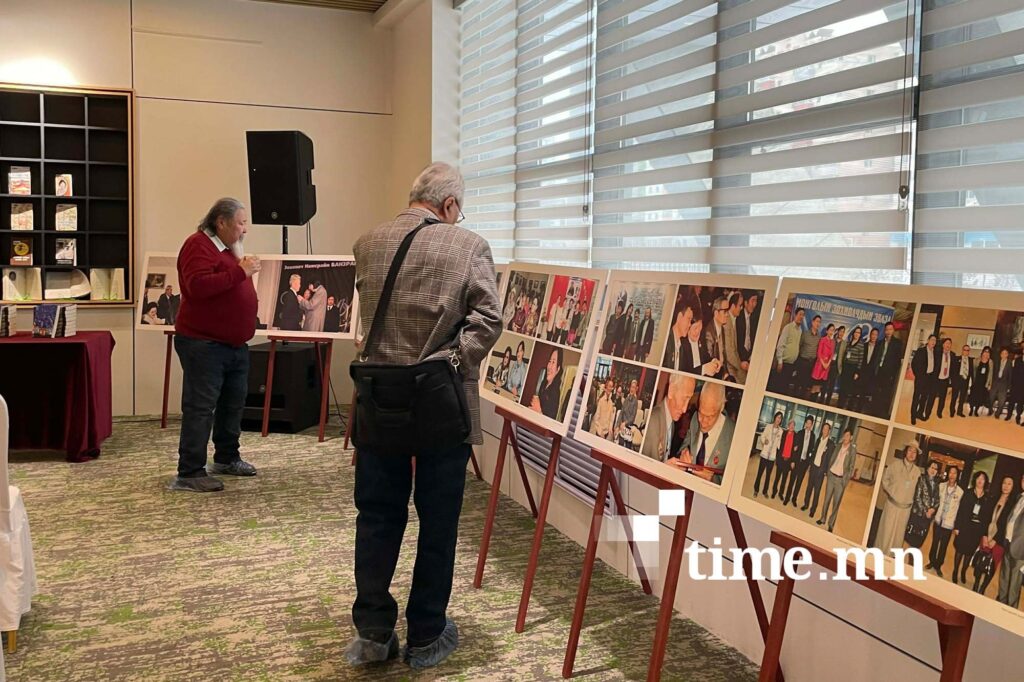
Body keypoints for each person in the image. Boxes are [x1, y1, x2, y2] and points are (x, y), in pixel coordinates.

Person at [346, 162, 501, 669]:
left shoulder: (368, 242)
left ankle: (373, 631)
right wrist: (451, 360)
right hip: (438, 399)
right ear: (449, 205)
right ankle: (427, 633)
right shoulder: (469, 246)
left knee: (376, 514)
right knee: (438, 518)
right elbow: (489, 319)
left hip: (378, 398)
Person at [170, 197, 260, 493]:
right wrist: (240, 272)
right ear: (221, 222)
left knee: (232, 404)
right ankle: (190, 472)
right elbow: (197, 287)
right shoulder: (197, 245)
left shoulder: (228, 249)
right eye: (241, 223)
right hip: (203, 343)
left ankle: (226, 458)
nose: (244, 229)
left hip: (233, 344)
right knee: (200, 408)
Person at [671, 383, 733, 484]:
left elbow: (733, 483)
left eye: (709, 417)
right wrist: (683, 454)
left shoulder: (734, 435)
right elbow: (684, 446)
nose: (703, 422)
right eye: (701, 413)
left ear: (721, 407)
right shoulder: (695, 418)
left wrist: (713, 480)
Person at [874, 440, 922, 553]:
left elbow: (918, 491)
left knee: (898, 535)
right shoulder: (894, 465)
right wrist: (892, 492)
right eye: (910, 450)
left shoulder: (917, 472)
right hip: (892, 505)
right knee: (886, 532)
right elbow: (885, 479)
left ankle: (892, 556)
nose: (912, 454)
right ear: (905, 452)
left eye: (914, 452)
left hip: (906, 509)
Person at [974, 475, 1017, 594]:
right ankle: (976, 583)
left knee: (992, 566)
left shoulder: (1013, 504)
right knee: (980, 562)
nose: (1006, 486)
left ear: (1013, 487)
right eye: (1004, 483)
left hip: (999, 540)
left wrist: (996, 540)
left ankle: (983, 588)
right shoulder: (993, 498)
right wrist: (984, 535)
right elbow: (985, 518)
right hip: (986, 535)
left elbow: (1008, 525)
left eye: (1009, 484)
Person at [642, 374, 696, 462]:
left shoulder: (671, 423)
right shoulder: (654, 421)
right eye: (684, 399)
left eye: (688, 400)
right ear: (671, 391)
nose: (685, 409)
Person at [952, 471, 989, 585]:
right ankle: (955, 571)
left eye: (983, 479)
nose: (980, 480)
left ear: (985, 482)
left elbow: (987, 517)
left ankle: (963, 571)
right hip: (964, 527)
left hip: (976, 530)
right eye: (978, 478)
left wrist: (984, 534)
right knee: (960, 550)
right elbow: (960, 510)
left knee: (969, 552)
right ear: (975, 480)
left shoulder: (987, 497)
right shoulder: (968, 493)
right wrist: (957, 526)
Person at [818, 427, 856, 532]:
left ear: (851, 437)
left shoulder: (852, 450)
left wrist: (845, 480)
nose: (845, 437)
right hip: (831, 476)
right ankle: (822, 518)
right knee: (826, 500)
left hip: (840, 480)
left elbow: (851, 467)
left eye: (848, 435)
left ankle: (831, 524)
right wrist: (828, 471)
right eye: (845, 435)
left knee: (836, 504)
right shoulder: (838, 446)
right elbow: (832, 458)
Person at [928, 465, 962, 579]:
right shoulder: (941, 486)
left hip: (948, 524)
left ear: (957, 475)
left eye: (955, 473)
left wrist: (956, 525)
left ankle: (938, 565)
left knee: (943, 546)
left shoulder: (960, 492)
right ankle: (932, 561)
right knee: (934, 543)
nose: (952, 475)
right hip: (938, 520)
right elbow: (935, 501)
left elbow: (959, 510)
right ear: (948, 474)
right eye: (950, 472)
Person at [997, 474, 1024, 607]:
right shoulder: (1019, 497)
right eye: (1023, 479)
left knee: (1014, 584)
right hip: (1008, 542)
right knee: (1004, 576)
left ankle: (1010, 609)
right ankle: (1001, 603)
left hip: (1021, 550)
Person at [871, 321, 904, 417]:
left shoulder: (898, 343)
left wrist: (893, 374)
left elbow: (897, 360)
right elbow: (874, 357)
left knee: (885, 392)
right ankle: (874, 411)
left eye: (890, 329)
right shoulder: (879, 343)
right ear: (884, 331)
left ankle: (882, 412)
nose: (888, 331)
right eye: (887, 330)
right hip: (879, 370)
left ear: (893, 330)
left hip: (889, 372)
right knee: (876, 391)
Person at [905, 461, 940, 550]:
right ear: (927, 468)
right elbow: (917, 497)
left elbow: (937, 499)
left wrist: (933, 509)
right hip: (918, 514)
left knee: (920, 540)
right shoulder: (921, 479)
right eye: (932, 467)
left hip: (928, 518)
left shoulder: (937, 484)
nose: (933, 470)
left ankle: (912, 556)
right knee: (912, 539)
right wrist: (925, 511)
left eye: (936, 469)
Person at [802, 422, 834, 517]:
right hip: (813, 468)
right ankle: (806, 504)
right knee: (809, 488)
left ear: (829, 431)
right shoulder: (818, 440)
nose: (824, 430)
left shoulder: (831, 444)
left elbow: (830, 460)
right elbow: (814, 453)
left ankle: (813, 510)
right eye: (823, 428)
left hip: (821, 471)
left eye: (826, 429)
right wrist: (810, 465)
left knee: (817, 492)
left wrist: (825, 472)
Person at [785, 416, 817, 508]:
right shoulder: (800, 433)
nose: (808, 425)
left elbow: (811, 450)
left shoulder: (813, 436)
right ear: (805, 423)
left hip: (804, 463)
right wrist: (792, 461)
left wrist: (808, 463)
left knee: (799, 483)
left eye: (810, 423)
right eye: (807, 423)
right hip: (796, 461)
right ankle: (787, 498)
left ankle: (794, 499)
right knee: (792, 481)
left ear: (812, 424)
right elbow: (794, 448)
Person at [529, 347, 566, 420]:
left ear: (558, 369)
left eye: (553, 362)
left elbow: (549, 421)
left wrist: (539, 411)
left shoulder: (555, 393)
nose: (549, 366)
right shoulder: (543, 383)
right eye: (549, 361)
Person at [753, 412, 784, 499]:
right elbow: (762, 436)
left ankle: (765, 491)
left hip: (772, 456)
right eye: (778, 417)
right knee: (760, 473)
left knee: (768, 475)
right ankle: (756, 490)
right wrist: (764, 440)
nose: (778, 419)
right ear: (775, 418)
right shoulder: (768, 426)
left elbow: (779, 443)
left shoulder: (781, 431)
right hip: (764, 454)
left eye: (780, 418)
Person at [910, 334, 939, 425]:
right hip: (921, 377)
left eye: (935, 340)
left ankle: (920, 413)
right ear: (928, 340)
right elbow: (914, 363)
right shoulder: (921, 351)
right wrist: (918, 375)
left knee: (924, 397)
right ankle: (913, 415)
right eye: (932, 340)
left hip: (929, 378)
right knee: (916, 397)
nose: (933, 342)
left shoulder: (935, 353)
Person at [837, 326, 865, 410]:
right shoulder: (849, 342)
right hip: (846, 367)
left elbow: (861, 359)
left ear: (860, 335)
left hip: (853, 368)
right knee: (842, 386)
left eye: (859, 333)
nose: (857, 334)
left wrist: (857, 372)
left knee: (849, 388)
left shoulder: (861, 345)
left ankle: (846, 406)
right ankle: (839, 405)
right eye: (856, 332)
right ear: (853, 333)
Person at [662, 305, 694, 371]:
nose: (690, 325)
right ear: (679, 317)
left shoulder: (681, 347)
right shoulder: (666, 341)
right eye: (688, 319)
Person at [811, 323, 836, 402]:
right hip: (819, 365)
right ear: (827, 331)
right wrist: (823, 363)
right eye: (830, 330)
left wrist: (827, 364)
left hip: (826, 367)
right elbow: (819, 353)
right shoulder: (822, 339)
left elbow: (832, 355)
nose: (831, 332)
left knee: (820, 387)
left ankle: (816, 402)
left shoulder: (833, 342)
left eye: (833, 330)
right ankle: (811, 400)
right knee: (814, 386)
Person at [723, 292, 745, 383]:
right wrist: (740, 366)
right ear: (732, 306)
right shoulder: (727, 322)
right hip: (730, 368)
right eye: (740, 305)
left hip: (735, 365)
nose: (741, 308)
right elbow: (729, 352)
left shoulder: (733, 320)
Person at [820, 325, 844, 406]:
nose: (841, 333)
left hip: (836, 366)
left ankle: (827, 402)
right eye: (840, 331)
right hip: (828, 364)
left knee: (831, 385)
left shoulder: (844, 343)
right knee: (825, 383)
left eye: (843, 332)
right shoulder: (832, 340)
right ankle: (821, 400)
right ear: (837, 332)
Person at [931, 337, 955, 419]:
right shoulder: (937, 353)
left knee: (942, 398)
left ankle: (939, 412)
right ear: (943, 344)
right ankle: (928, 412)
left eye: (950, 343)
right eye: (947, 343)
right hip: (937, 379)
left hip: (945, 380)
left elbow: (953, 369)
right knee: (932, 396)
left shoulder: (952, 355)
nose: (948, 345)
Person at [858, 327, 880, 413]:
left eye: (876, 335)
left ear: (877, 336)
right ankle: (858, 409)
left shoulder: (879, 348)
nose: (874, 336)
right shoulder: (864, 345)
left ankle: (863, 410)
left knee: (867, 392)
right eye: (872, 334)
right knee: (860, 391)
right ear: (870, 335)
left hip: (871, 374)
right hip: (863, 372)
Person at [774, 420, 797, 503]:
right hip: (781, 459)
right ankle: (774, 491)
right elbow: (779, 446)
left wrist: (793, 461)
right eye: (791, 424)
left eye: (793, 425)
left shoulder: (796, 435)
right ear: (788, 425)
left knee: (784, 479)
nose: (792, 426)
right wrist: (777, 458)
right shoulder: (783, 433)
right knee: (777, 477)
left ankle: (781, 493)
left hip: (788, 461)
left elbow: (795, 450)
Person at [736, 291, 759, 371]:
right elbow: (738, 341)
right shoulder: (738, 317)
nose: (754, 304)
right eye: (753, 300)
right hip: (740, 357)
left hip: (750, 356)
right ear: (745, 303)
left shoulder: (754, 317)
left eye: (756, 301)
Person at [969, 346, 993, 415]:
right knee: (973, 396)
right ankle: (971, 409)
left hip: (984, 383)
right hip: (976, 382)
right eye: (985, 351)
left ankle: (976, 410)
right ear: (982, 352)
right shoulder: (976, 360)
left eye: (988, 352)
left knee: (980, 397)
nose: (986, 353)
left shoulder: (990, 362)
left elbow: (991, 373)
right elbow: (972, 372)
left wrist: (989, 384)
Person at [950, 345, 973, 418]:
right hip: (957, 380)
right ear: (962, 350)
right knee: (954, 397)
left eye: (967, 350)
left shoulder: (971, 360)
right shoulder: (957, 359)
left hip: (965, 381)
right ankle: (952, 411)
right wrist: (953, 381)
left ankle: (959, 412)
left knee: (962, 398)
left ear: (969, 352)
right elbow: (952, 371)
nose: (966, 351)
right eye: (964, 350)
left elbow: (971, 372)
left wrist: (971, 382)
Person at [991, 347, 1013, 419]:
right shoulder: (996, 361)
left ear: (1007, 355)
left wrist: (1009, 387)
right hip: (995, 382)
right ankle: (990, 410)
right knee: (991, 397)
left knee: (1002, 400)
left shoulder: (1009, 363)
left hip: (1004, 384)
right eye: (1002, 353)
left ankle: (998, 413)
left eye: (1005, 353)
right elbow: (992, 372)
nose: (1004, 355)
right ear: (1000, 354)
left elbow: (1010, 375)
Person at [1010, 349, 1024, 424]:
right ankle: (1009, 415)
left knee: (1020, 402)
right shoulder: (1017, 360)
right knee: (1012, 400)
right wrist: (1012, 383)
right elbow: (1014, 372)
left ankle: (1018, 416)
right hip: (1016, 384)